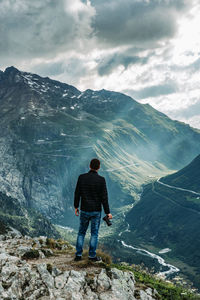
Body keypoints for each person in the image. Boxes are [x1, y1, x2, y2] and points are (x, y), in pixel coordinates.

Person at [74, 158, 112, 262]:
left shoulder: (81, 178)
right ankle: (92, 256)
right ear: (98, 167)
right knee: (94, 233)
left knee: (81, 232)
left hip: (84, 209)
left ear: (90, 166)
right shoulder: (101, 180)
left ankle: (78, 255)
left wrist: (76, 206)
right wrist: (107, 212)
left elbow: (77, 193)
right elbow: (104, 198)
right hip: (96, 211)